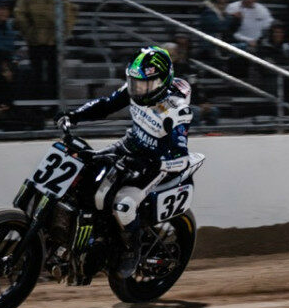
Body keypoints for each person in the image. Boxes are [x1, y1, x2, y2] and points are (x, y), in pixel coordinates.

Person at [54, 46, 193, 278]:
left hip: (153, 164)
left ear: (161, 82)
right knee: (84, 173)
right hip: (129, 146)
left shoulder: (176, 111)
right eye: (133, 82)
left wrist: (158, 164)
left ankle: (132, 251)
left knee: (124, 205)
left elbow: (181, 157)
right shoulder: (136, 88)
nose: (137, 89)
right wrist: (74, 115)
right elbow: (106, 104)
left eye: (144, 84)